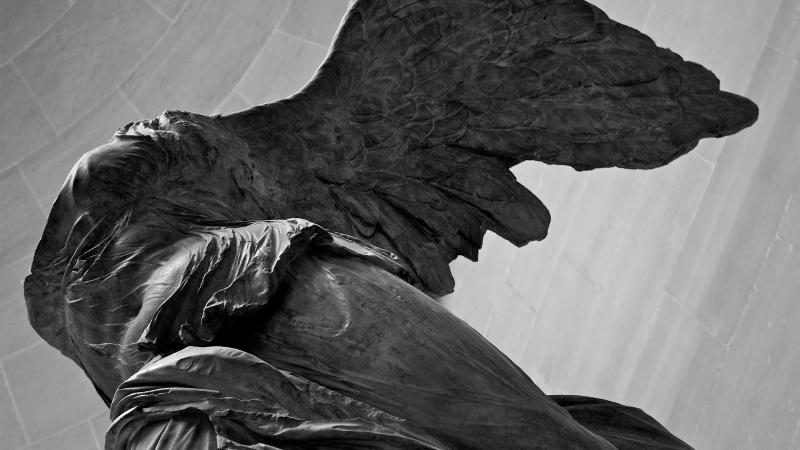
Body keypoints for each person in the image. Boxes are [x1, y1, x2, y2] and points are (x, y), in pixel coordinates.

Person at [25, 0, 757, 448]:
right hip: (162, 396)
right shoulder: (70, 314)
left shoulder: (133, 172)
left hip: (248, 287)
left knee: (537, 439)